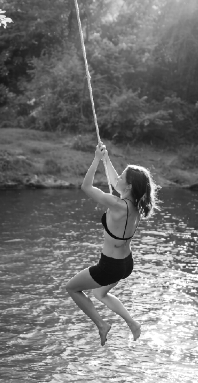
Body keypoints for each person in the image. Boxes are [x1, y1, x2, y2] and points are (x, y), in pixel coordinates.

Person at [65, 142, 159, 346]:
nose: (118, 179)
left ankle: (101, 324)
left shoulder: (117, 204)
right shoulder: (136, 205)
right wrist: (106, 159)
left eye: (122, 176)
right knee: (100, 293)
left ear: (129, 186)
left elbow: (86, 187)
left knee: (72, 288)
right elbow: (117, 184)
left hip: (110, 266)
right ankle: (133, 324)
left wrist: (97, 159)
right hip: (126, 264)